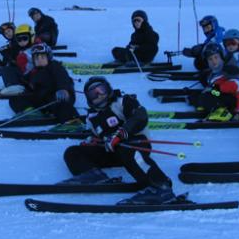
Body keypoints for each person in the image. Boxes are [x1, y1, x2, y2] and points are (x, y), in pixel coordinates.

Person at [61, 77, 179, 205]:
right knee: (72, 151)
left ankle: (160, 187)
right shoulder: (91, 117)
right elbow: (97, 136)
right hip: (112, 151)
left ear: (108, 88)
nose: (99, 94)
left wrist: (121, 133)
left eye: (101, 89)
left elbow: (140, 116)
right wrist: (94, 141)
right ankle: (92, 175)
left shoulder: (123, 101)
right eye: (93, 93)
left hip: (136, 144)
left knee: (126, 148)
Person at [5, 43, 78, 123]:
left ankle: (72, 122)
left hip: (59, 95)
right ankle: (31, 113)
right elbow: (30, 85)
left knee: (62, 106)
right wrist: (21, 88)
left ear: (48, 58)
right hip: (43, 99)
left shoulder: (55, 66)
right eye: (36, 58)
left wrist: (63, 88)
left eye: (42, 57)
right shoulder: (34, 72)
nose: (39, 60)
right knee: (15, 99)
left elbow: (62, 77)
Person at [190, 43, 239, 121]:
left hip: (234, 98)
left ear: (221, 57)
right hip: (222, 94)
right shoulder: (216, 71)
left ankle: (226, 113)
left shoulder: (230, 68)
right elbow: (213, 85)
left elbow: (237, 85)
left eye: (216, 57)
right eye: (210, 59)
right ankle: (206, 104)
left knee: (208, 96)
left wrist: (220, 87)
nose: (214, 61)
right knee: (203, 95)